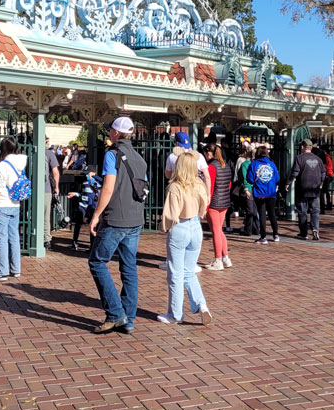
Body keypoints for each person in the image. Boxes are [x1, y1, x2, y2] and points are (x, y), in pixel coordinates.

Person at [88, 116, 147, 335]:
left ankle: (115, 313)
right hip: (135, 219)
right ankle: (129, 319)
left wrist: (96, 215)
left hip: (115, 220)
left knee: (97, 261)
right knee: (129, 267)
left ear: (115, 133)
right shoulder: (140, 159)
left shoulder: (112, 155)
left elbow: (108, 188)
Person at [158, 150, 213, 325]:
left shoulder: (175, 186)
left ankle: (175, 314)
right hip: (196, 227)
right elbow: (204, 206)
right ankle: (201, 304)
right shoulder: (199, 184)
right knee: (189, 272)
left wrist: (163, 227)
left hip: (180, 227)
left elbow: (171, 214)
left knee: (175, 273)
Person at [0, 137, 29, 280]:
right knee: (14, 237)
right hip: (15, 204)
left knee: (1, 239)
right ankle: (15, 269)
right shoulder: (21, 162)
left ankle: (2, 272)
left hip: (2, 204)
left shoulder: (2, 165)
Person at [287, 138, 325, 240]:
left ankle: (303, 233)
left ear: (302, 147)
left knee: (302, 211)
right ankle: (315, 228)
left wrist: (288, 182)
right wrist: (321, 183)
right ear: (311, 148)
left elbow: (295, 172)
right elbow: (323, 173)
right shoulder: (318, 159)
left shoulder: (299, 158)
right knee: (315, 210)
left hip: (302, 188)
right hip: (315, 188)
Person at [203, 143, 233, 269]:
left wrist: (205, 206)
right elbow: (229, 184)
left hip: (214, 202)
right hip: (224, 202)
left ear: (209, 153)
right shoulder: (225, 165)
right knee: (219, 231)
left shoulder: (211, 166)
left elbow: (210, 187)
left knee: (215, 231)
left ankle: (218, 260)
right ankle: (225, 257)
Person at [247, 145, 280, 244]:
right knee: (272, 214)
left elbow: (250, 179)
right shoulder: (271, 164)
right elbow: (277, 178)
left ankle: (263, 236)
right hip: (271, 192)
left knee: (261, 214)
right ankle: (276, 234)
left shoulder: (253, 164)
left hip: (259, 192)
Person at [68, 171, 101, 252]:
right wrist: (76, 194)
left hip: (90, 208)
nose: (86, 176)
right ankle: (76, 243)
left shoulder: (94, 183)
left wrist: (86, 215)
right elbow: (85, 195)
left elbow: (90, 198)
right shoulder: (87, 183)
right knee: (83, 224)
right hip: (85, 207)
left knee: (91, 226)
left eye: (88, 174)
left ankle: (90, 246)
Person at [42, 138, 61, 252]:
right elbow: (55, 172)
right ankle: (46, 239)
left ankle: (31, 235)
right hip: (46, 189)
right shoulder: (49, 154)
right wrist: (56, 187)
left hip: (29, 189)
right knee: (46, 216)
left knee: (30, 214)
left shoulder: (27, 152)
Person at [320, 144, 334, 213]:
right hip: (330, 175)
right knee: (326, 191)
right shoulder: (330, 157)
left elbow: (326, 166)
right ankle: (329, 204)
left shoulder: (326, 157)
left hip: (327, 175)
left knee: (323, 191)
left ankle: (327, 204)